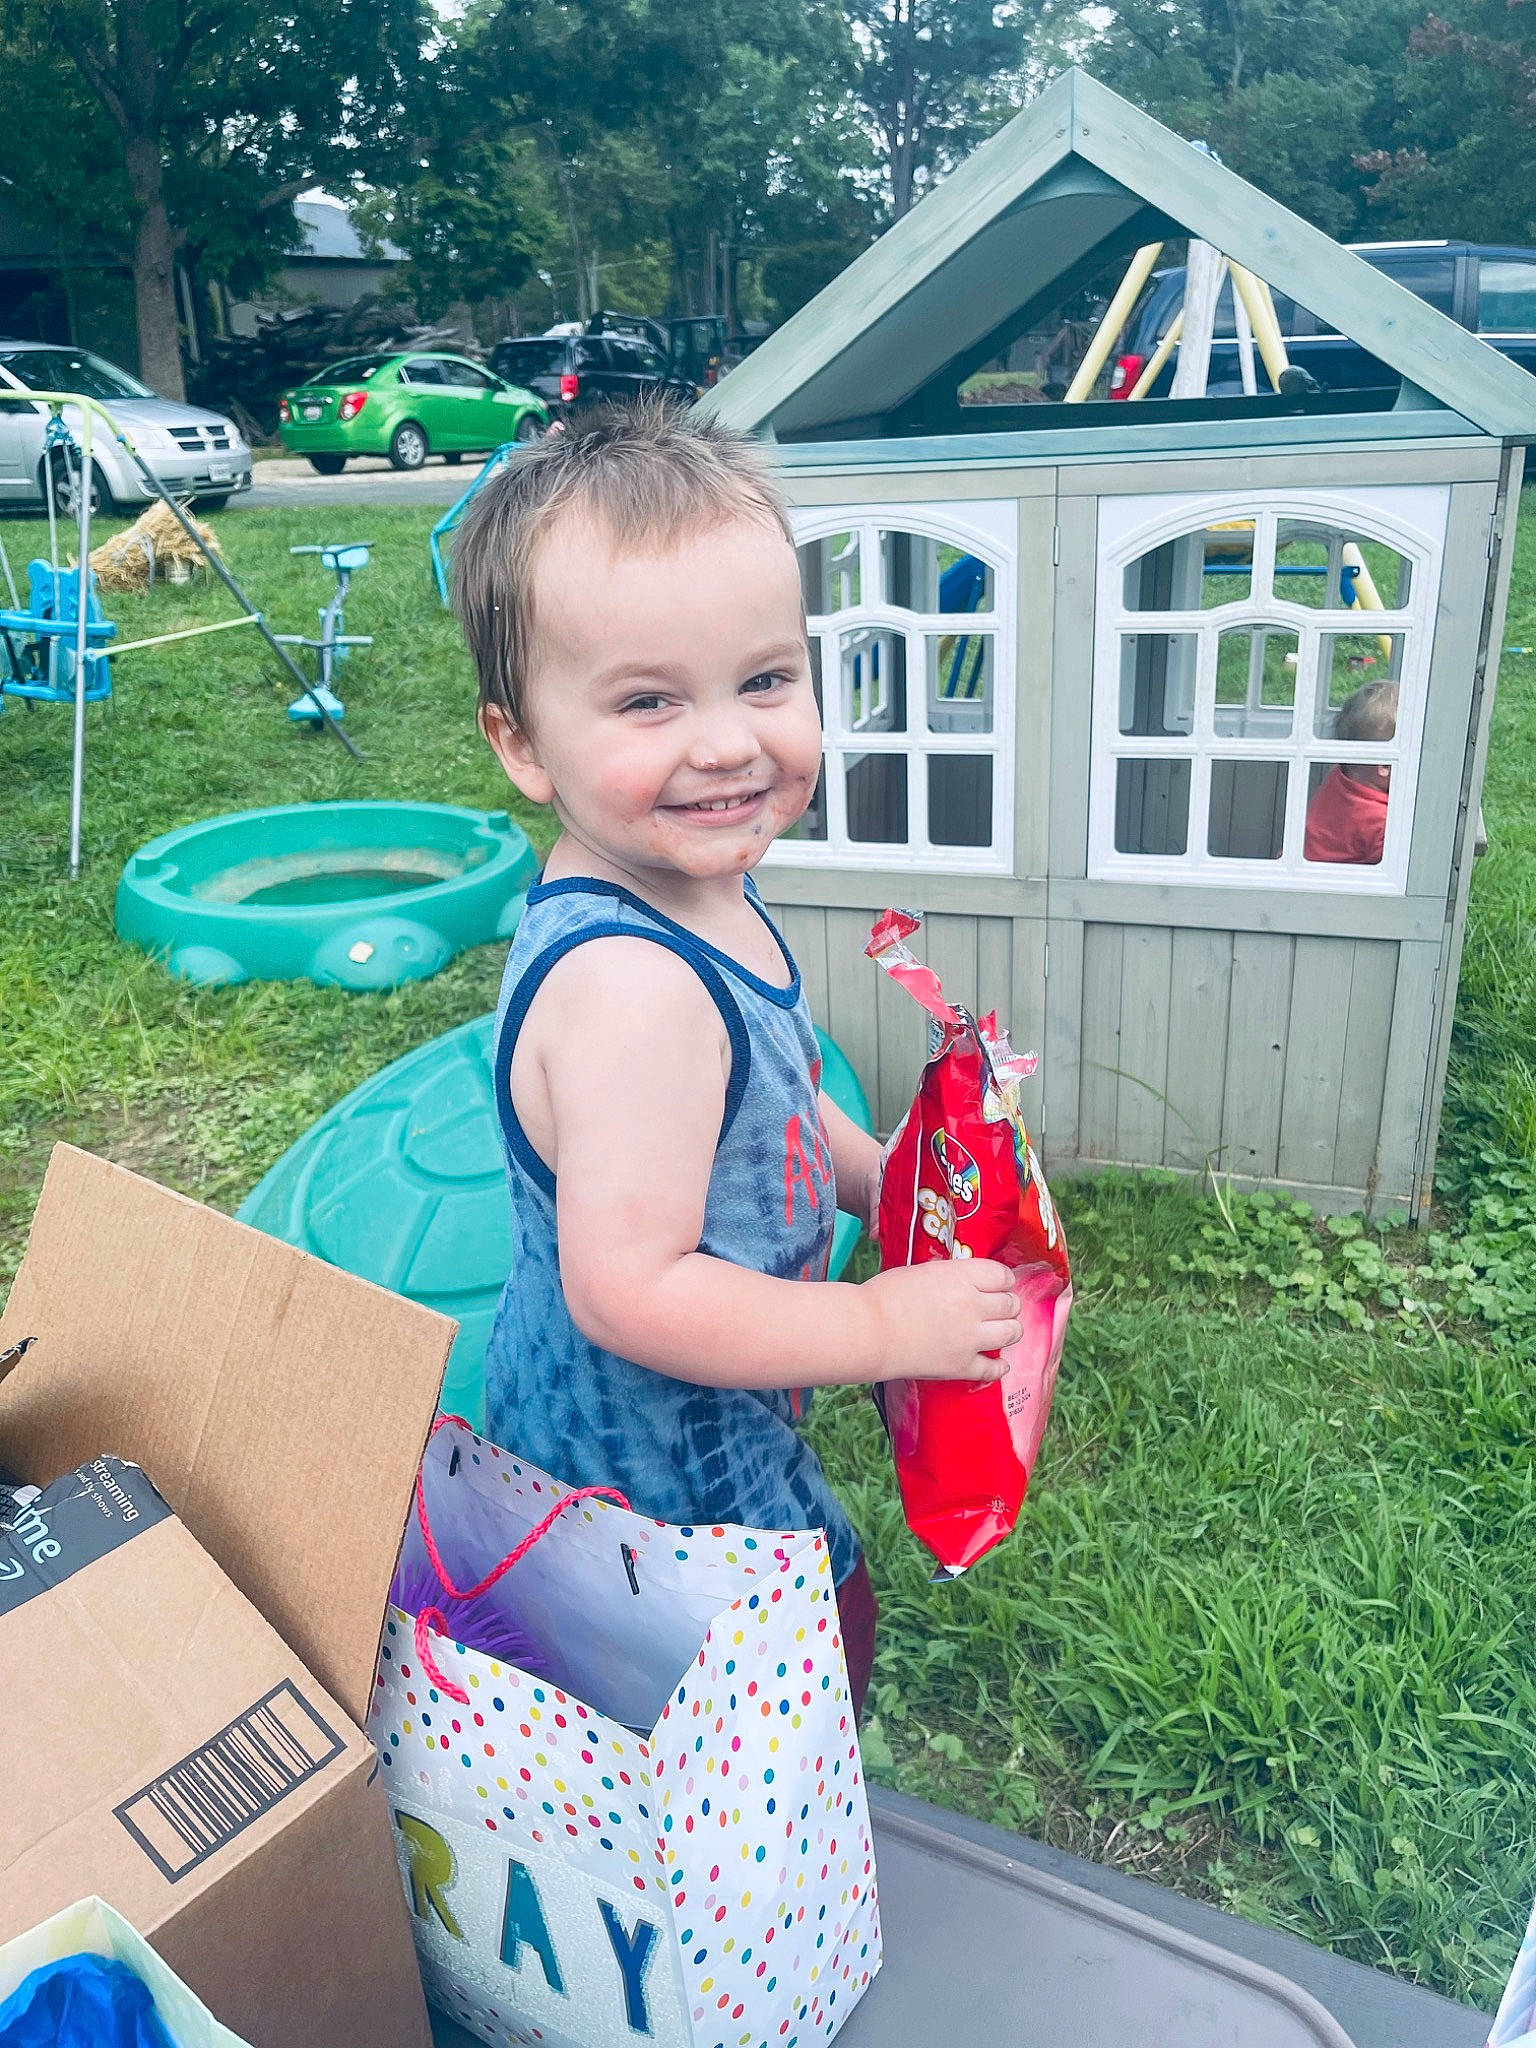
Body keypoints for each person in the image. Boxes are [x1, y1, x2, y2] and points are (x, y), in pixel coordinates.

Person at [452, 403, 1020, 1717]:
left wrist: (869, 1171)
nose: (725, 742)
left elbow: (762, 1090)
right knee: (783, 1658)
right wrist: (880, 1325)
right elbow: (631, 1288)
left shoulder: (690, 882)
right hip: (656, 1474)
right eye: (648, 701)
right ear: (523, 744)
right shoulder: (633, 989)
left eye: (764, 681)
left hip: (689, 1418)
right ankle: (764, 1849)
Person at [1303, 678, 1398, 866]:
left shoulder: (1340, 775)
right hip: (1325, 891)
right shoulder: (1380, 821)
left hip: (1298, 869)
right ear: (1384, 767)